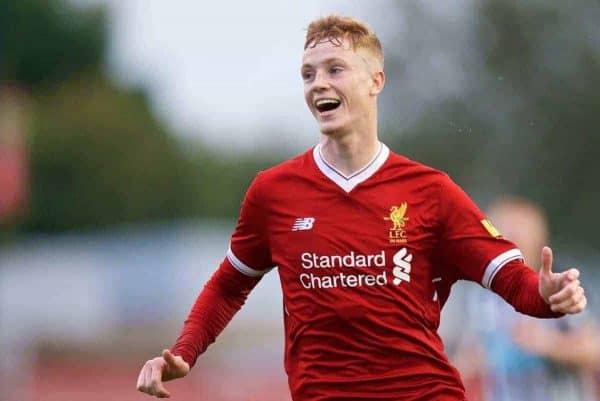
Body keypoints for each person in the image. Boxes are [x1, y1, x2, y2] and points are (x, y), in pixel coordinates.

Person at [136, 15, 587, 401]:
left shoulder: (431, 191)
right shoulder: (274, 193)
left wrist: (548, 298)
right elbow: (230, 285)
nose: (319, 84)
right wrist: (185, 351)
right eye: (308, 74)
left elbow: (511, 280)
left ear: (375, 81)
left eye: (335, 69)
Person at [449, 196, 600, 401]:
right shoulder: (482, 297)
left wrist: (548, 343)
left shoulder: (562, 287)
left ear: (539, 239)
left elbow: (594, 351)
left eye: (517, 234)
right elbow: (475, 353)